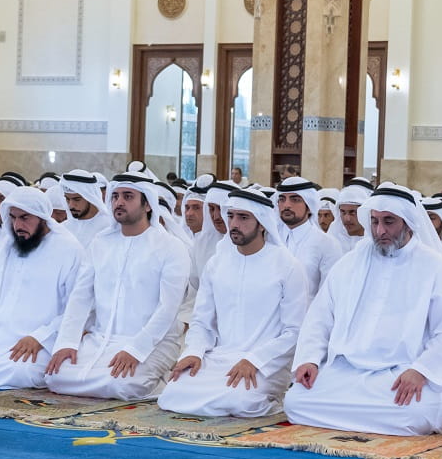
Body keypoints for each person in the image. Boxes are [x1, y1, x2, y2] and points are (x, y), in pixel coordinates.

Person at [287, 186, 442, 435]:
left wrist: (421, 370)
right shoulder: (350, 263)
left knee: (416, 414)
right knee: (296, 400)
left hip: (402, 373)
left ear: (409, 222)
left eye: (389, 222)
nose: (380, 231)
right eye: (374, 222)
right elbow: (320, 317)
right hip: (346, 371)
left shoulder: (435, 267)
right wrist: (309, 359)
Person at [160, 189, 307, 418]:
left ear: (262, 223)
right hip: (220, 357)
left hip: (266, 362)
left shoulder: (288, 266)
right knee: (172, 393)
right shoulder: (217, 264)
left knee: (240, 401)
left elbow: (294, 332)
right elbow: (201, 321)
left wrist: (254, 360)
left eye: (243, 217)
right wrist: (195, 352)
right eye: (231, 216)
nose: (234, 224)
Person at [45, 175, 193, 400]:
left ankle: (159, 381)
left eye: (128, 196)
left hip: (153, 341)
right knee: (56, 376)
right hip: (100, 338)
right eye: (115, 196)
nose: (119, 202)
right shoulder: (101, 243)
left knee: (120, 385)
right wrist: (67, 342)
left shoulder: (171, 247)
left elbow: (168, 308)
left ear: (147, 205)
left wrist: (136, 350)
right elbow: (80, 297)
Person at [0, 187, 85, 390]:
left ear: (42, 217)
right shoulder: (7, 248)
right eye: (13, 218)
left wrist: (39, 338)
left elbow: (75, 310)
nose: (18, 225)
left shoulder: (69, 250)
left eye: (25, 218)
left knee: (23, 372)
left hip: (36, 341)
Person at [275, 177, 344, 293]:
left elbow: (328, 294)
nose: (286, 205)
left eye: (295, 200)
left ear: (309, 206)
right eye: (282, 199)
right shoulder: (269, 239)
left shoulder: (328, 244)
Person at [57, 171, 110, 240]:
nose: (71, 205)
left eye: (77, 199)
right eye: (67, 199)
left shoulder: (108, 227)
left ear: (90, 197)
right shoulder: (63, 229)